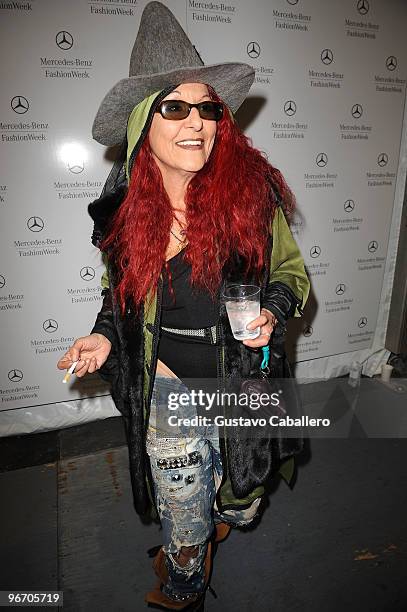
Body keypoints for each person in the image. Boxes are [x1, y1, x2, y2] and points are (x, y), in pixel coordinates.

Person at [57, 2, 310, 609]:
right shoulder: (122, 214)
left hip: (238, 382)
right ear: (146, 122)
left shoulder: (251, 197)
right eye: (176, 106)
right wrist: (104, 338)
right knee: (182, 500)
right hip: (164, 383)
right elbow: (120, 301)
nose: (197, 121)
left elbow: (291, 275)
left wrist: (272, 310)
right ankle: (186, 576)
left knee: (238, 500)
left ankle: (213, 516)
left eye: (208, 108)